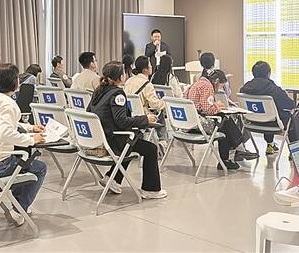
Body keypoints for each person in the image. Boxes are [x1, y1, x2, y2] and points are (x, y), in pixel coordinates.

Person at [0, 64, 47, 225]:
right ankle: (19, 209)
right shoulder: (8, 104)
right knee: (39, 168)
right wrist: (32, 139)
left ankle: (19, 204)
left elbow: (4, 124)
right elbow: (6, 133)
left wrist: (29, 128)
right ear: (14, 82)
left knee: (24, 164)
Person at [87, 61, 167, 199]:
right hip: (112, 141)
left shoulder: (99, 91)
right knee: (150, 148)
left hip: (100, 138)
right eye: (123, 73)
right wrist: (145, 119)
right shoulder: (117, 94)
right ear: (119, 76)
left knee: (131, 142)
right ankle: (151, 189)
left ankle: (113, 179)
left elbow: (90, 111)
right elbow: (121, 121)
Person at [240, 61, 299, 155]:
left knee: (267, 112)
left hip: (251, 122)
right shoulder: (273, 89)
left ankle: (270, 144)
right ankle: (296, 151)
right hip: (272, 124)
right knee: (294, 114)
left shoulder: (244, 89)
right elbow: (290, 105)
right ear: (268, 74)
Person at [185, 70, 245, 169]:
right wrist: (218, 106)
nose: (219, 89)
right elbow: (208, 109)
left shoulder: (196, 84)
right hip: (198, 125)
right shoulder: (207, 86)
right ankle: (237, 148)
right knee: (224, 122)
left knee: (224, 123)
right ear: (216, 82)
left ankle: (232, 154)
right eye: (221, 86)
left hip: (189, 123)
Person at [123, 56, 167, 148]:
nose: (151, 66)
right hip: (143, 117)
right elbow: (155, 104)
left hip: (129, 115)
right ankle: (163, 141)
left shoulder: (129, 81)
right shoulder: (147, 84)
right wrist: (165, 103)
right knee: (160, 113)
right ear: (145, 69)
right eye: (150, 65)